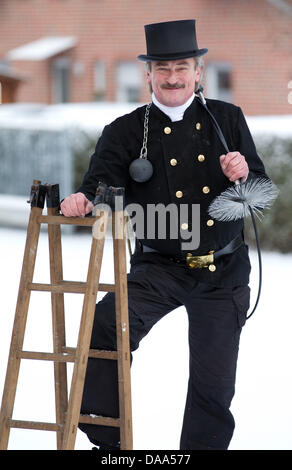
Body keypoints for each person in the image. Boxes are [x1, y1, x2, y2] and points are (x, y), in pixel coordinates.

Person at [61, 19, 268, 450]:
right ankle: (108, 440)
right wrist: (82, 200)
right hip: (159, 266)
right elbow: (99, 189)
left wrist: (243, 176)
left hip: (223, 269)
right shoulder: (124, 131)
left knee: (213, 386)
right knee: (104, 325)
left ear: (198, 73)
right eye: (163, 69)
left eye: (181, 68)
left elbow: (261, 197)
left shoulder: (227, 120)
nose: (172, 78)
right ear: (149, 75)